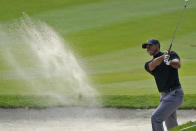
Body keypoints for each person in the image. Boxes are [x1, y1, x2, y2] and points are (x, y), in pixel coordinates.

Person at [142, 39, 184, 131]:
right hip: (165, 96)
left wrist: (169, 61)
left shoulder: (171, 54)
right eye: (146, 47)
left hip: (175, 94)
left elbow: (177, 64)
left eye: (150, 46)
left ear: (158, 46)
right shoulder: (148, 64)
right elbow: (153, 64)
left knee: (156, 118)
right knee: (171, 123)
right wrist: (163, 57)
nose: (148, 48)